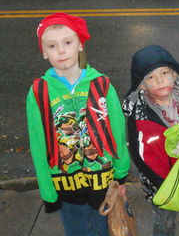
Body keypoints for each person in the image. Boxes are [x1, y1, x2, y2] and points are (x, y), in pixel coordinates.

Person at [26, 13, 130, 236]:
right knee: (76, 231)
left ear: (80, 45)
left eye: (67, 42)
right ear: (44, 52)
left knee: (103, 230)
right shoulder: (39, 92)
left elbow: (118, 132)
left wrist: (121, 174)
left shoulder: (101, 84)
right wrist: (48, 191)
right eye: (52, 46)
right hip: (65, 183)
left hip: (101, 180)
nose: (61, 51)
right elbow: (38, 143)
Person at [123, 45, 179, 236]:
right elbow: (139, 153)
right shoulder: (139, 113)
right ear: (142, 84)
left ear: (174, 74)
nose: (159, 80)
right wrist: (162, 182)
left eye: (164, 72)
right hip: (160, 184)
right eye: (150, 77)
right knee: (165, 221)